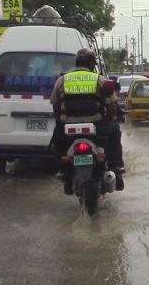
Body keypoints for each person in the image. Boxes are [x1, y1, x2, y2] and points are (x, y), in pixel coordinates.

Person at [50, 48, 125, 195]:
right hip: (95, 127)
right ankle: (116, 167)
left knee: (57, 139)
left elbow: (56, 106)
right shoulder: (99, 79)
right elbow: (111, 106)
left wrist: (61, 120)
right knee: (114, 129)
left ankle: (63, 171)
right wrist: (112, 118)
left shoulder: (62, 80)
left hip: (68, 128)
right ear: (91, 64)